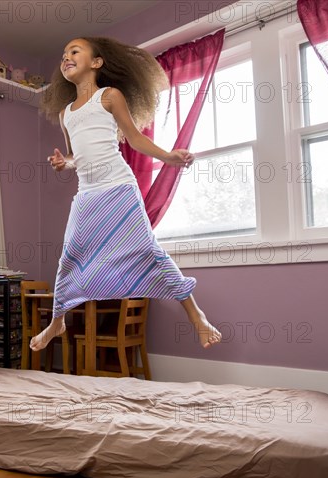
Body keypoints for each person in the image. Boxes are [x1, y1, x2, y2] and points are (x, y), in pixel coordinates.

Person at [30, 36, 222, 352]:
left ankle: (197, 315)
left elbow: (133, 139)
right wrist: (64, 163)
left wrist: (168, 157)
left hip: (119, 189)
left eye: (74, 51)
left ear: (96, 62)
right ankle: (57, 323)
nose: (66, 56)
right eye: (63, 53)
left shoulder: (109, 96)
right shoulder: (66, 114)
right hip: (88, 195)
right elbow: (75, 155)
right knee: (68, 260)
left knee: (147, 251)